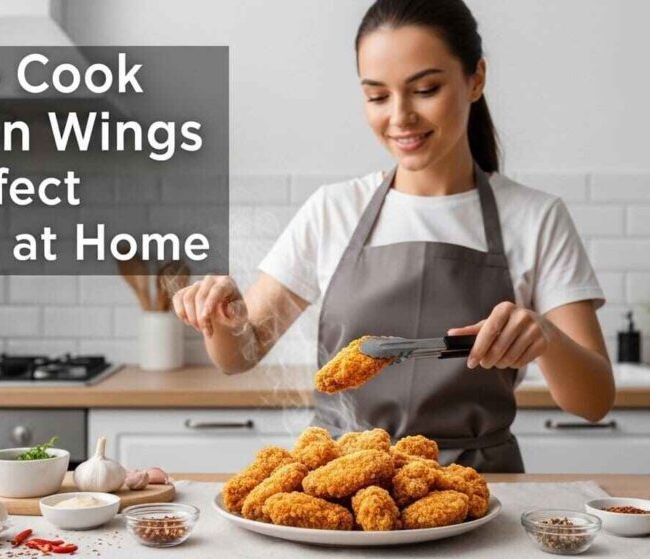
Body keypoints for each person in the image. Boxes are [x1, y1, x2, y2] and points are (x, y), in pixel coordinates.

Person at [172, 0, 614, 473]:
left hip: (479, 488)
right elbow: (241, 354)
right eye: (378, 96)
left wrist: (544, 336)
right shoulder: (333, 209)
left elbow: (593, 402)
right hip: (343, 482)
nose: (400, 116)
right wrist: (220, 313)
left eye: (425, 89)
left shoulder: (535, 217)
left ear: (476, 79)